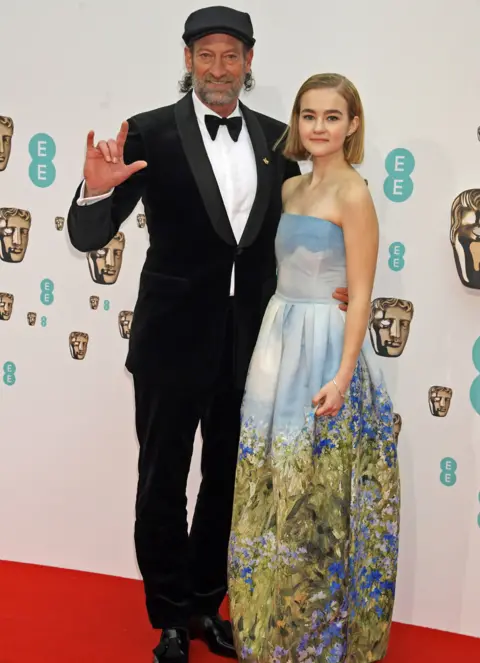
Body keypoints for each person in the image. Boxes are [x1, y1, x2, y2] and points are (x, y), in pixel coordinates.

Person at [66, 8, 349, 663]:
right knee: (161, 479)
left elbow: (290, 239)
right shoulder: (148, 131)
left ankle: (204, 605)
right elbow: (89, 235)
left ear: (250, 62)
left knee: (228, 480)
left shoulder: (281, 141)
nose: (219, 69)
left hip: (250, 345)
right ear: (188, 58)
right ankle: (167, 614)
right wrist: (91, 191)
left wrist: (333, 286)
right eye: (207, 55)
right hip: (169, 340)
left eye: (232, 56)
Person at [227, 73, 400, 663]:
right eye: (309, 115)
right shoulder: (291, 190)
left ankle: (319, 643)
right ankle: (271, 630)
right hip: (279, 340)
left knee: (319, 502)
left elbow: (362, 292)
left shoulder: (354, 193)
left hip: (327, 347)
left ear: (352, 125)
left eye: (332, 116)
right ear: (297, 124)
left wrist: (345, 374)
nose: (318, 127)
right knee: (272, 481)